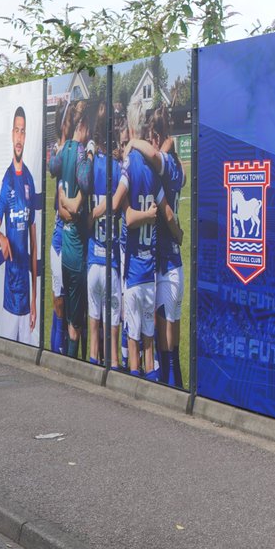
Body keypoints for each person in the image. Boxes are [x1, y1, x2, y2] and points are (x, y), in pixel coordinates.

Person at [126, 107, 186, 386]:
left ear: (155, 135)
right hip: (175, 263)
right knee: (172, 338)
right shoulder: (179, 166)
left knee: (163, 340)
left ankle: (171, 391)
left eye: (152, 137)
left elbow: (152, 155)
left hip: (162, 263)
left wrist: (133, 142)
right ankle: (179, 387)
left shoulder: (163, 163)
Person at [120, 108, 164, 378]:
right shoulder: (152, 167)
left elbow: (123, 213)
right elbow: (166, 210)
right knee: (150, 342)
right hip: (150, 271)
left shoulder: (130, 164)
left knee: (133, 341)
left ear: (130, 128)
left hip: (134, 270)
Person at [0, 106, 38, 345]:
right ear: (11, 134)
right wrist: (2, 239)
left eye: (23, 132)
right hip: (11, 296)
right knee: (9, 360)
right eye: (16, 131)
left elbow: (34, 243)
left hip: (26, 299)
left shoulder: (29, 179)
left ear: (25, 136)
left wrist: (34, 300)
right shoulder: (7, 181)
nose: (19, 138)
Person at [80, 99, 122, 368]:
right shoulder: (118, 168)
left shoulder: (91, 165)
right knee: (114, 345)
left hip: (93, 261)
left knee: (94, 332)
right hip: (112, 263)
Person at [53, 100, 91, 360]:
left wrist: (63, 199)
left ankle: (66, 356)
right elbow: (85, 180)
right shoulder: (78, 151)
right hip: (76, 246)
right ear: (83, 125)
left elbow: (52, 167)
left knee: (68, 309)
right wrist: (88, 154)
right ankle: (71, 364)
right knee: (76, 319)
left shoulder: (64, 148)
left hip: (64, 242)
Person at [46, 102, 80, 353]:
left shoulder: (76, 150)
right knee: (59, 299)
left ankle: (70, 352)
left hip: (77, 236)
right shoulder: (58, 149)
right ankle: (56, 351)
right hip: (60, 238)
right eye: (71, 119)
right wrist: (63, 142)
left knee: (74, 303)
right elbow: (53, 169)